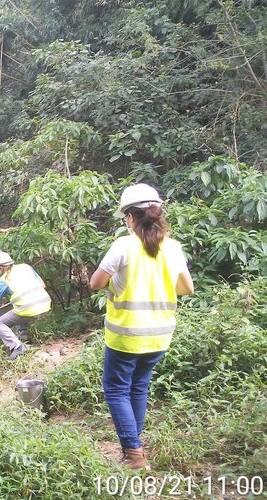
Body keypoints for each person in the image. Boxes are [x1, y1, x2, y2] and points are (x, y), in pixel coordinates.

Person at [90, 183, 194, 471]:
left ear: (131, 217)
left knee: (115, 389)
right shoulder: (172, 248)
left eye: (126, 218)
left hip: (126, 335)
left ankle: (134, 454)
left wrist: (119, 281)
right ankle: (134, 445)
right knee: (139, 387)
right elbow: (187, 288)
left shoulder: (123, 245)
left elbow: (95, 282)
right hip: (160, 335)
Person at [0, 251, 52, 360]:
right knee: (18, 310)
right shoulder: (26, 267)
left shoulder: (4, 280)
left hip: (30, 311)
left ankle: (17, 347)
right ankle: (24, 338)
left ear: (1, 267)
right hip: (46, 306)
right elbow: (43, 285)